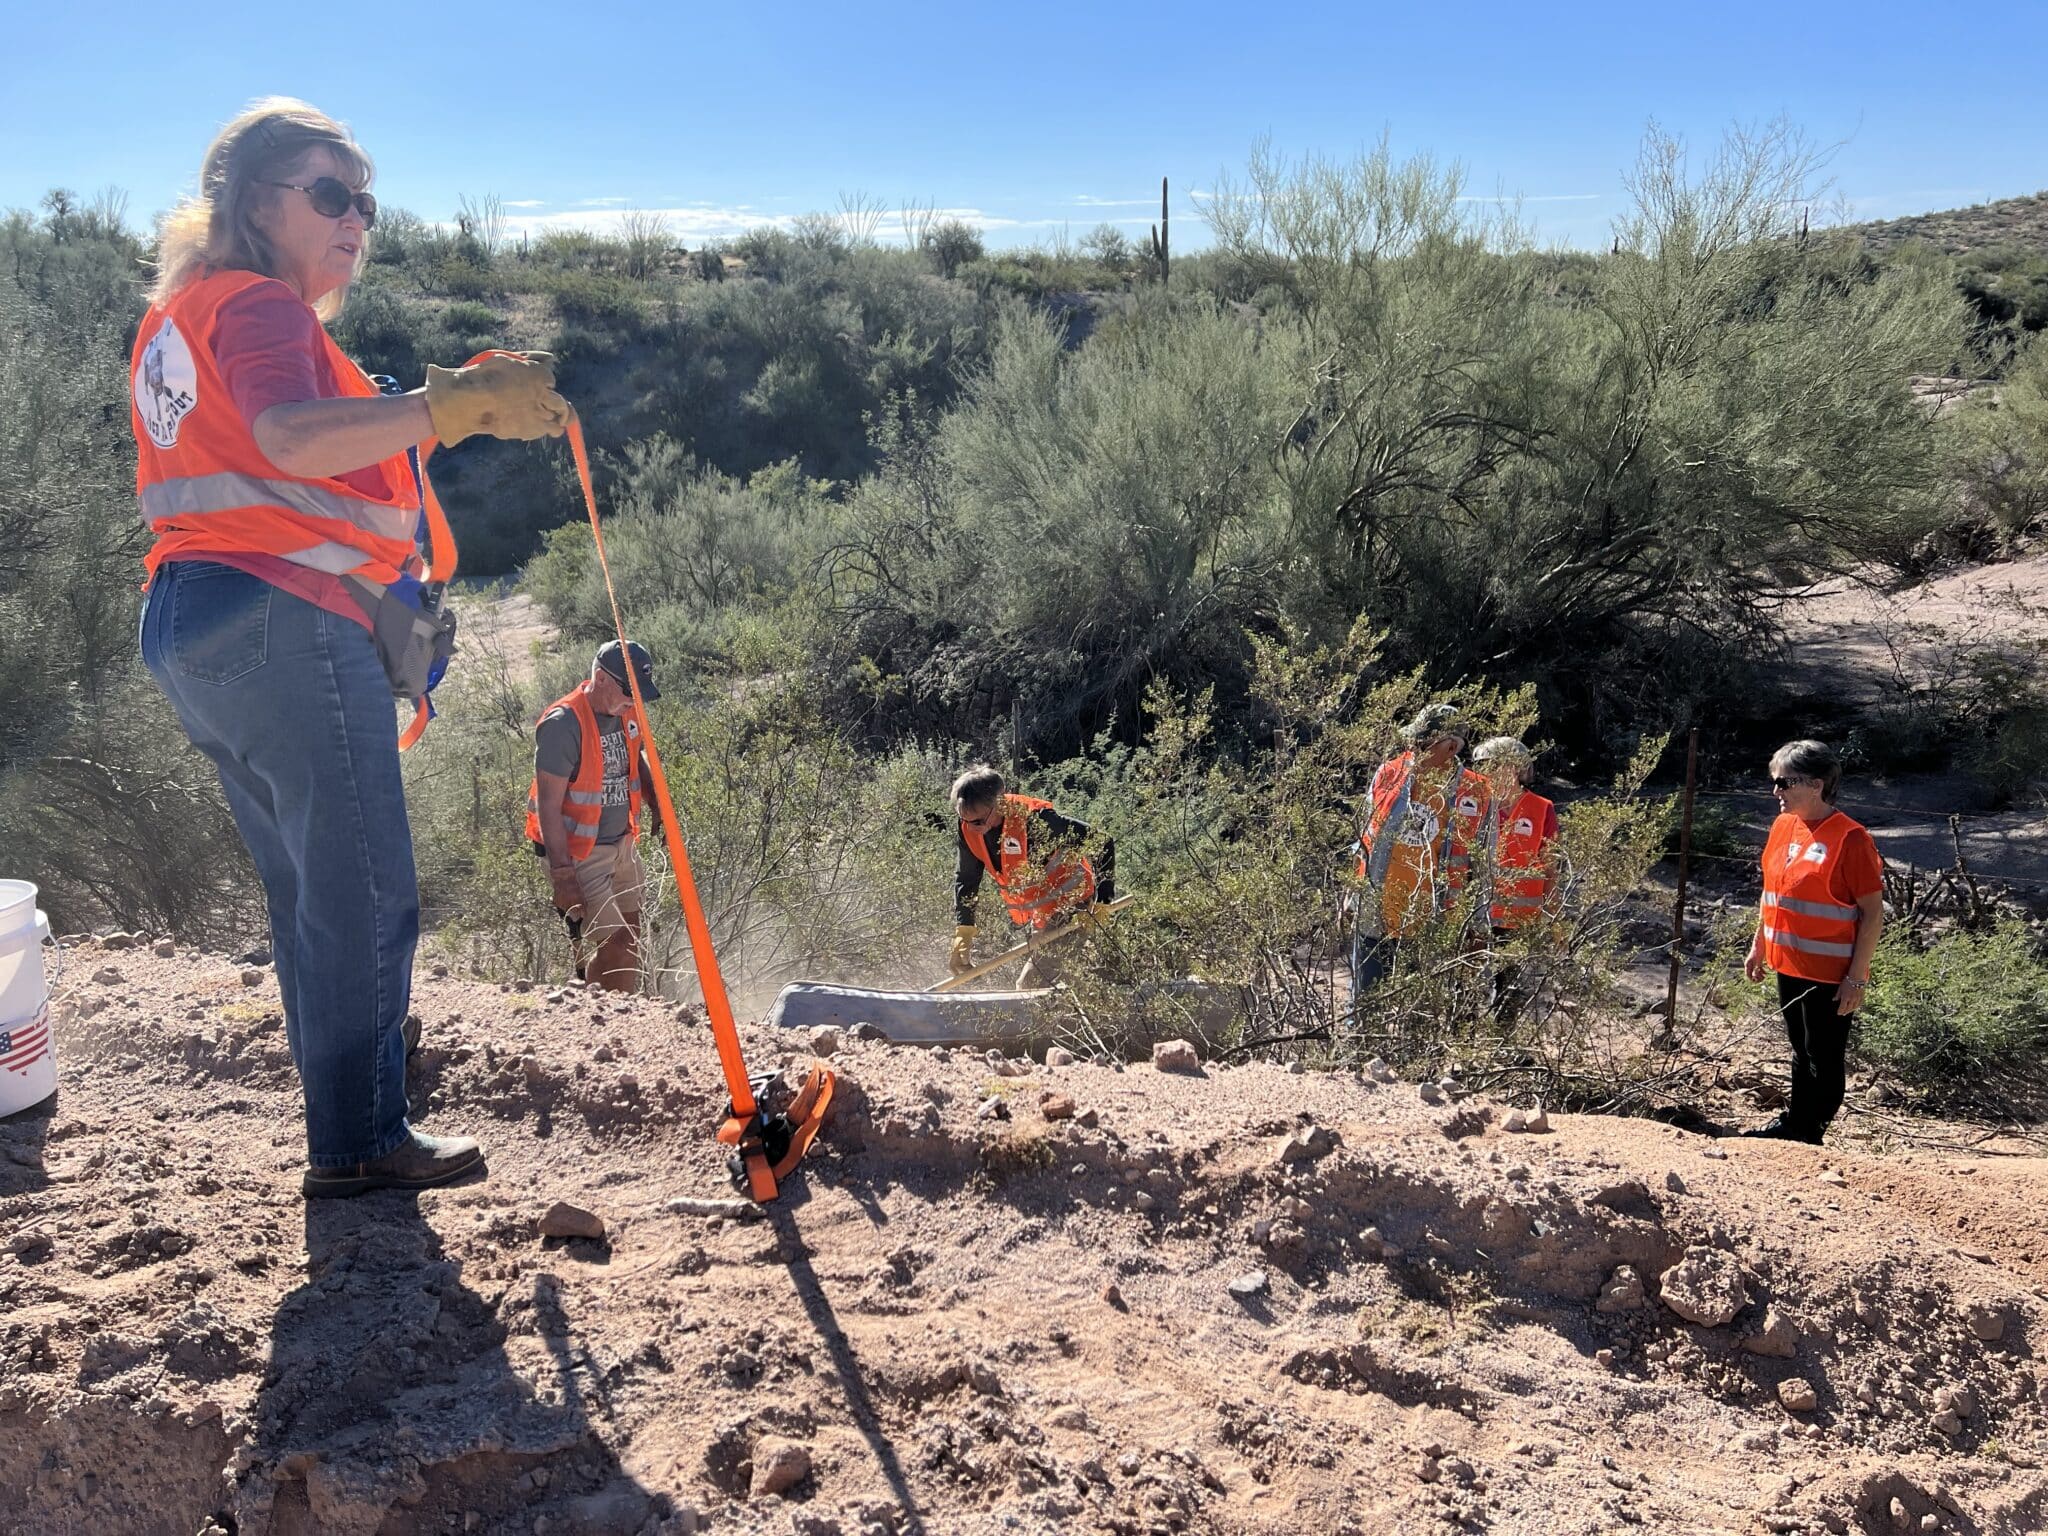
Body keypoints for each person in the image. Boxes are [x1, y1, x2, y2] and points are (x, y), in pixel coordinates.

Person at [133, 99, 568, 1197]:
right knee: (368, 895)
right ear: (253, 202)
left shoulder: (184, 318)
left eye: (364, 200)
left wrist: (381, 595)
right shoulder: (264, 307)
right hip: (273, 621)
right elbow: (288, 439)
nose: (355, 219)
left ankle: (352, 1129)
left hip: (196, 620)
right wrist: (447, 406)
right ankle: (362, 1137)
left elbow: (261, 476)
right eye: (328, 194)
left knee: (313, 897)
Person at [1741, 739, 1885, 1144]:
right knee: (1800, 1050)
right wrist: (1760, 943)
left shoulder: (1851, 838)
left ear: (1817, 785)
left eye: (1786, 783)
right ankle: (1796, 1124)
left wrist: (1856, 977)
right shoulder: (1783, 826)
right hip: (1787, 961)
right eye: (1775, 782)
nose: (1776, 792)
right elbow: (1773, 892)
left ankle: (1809, 1130)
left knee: (1822, 1054)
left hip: (1830, 971)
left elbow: (1873, 913)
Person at [527, 642, 657, 993]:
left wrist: (655, 802)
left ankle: (614, 1016)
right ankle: (600, 1020)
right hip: (579, 854)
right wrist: (563, 876)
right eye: (629, 691)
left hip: (622, 845)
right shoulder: (563, 724)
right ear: (601, 679)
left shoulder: (627, 712)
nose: (635, 701)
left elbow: (635, 756)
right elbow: (548, 806)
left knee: (630, 939)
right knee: (615, 945)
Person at [1351, 705, 1490, 996]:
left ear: (1451, 747)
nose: (1413, 747)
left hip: (1433, 923)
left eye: (1423, 742)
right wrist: (1352, 895)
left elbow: (1486, 866)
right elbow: (1365, 837)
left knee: (1419, 1013)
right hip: (1376, 912)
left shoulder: (1476, 792)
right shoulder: (1390, 772)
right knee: (1365, 1005)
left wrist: (1477, 926)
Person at [948, 766, 1116, 988]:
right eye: (964, 819)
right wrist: (964, 928)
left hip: (1072, 904)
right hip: (1041, 914)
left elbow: (1102, 842)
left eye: (978, 821)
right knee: (1060, 979)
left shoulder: (1036, 820)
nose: (971, 827)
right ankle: (1093, 1001)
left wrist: (1103, 903)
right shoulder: (969, 826)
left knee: (1030, 984)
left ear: (999, 803)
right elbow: (967, 878)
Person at [1472, 737, 1560, 1020]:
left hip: (1520, 919)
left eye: (1494, 765)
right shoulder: (1474, 805)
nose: (1487, 772)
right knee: (1466, 985)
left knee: (1512, 990)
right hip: (1476, 916)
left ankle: (1502, 1046)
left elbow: (1550, 869)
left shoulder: (1541, 808)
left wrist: (1555, 919)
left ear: (1514, 768)